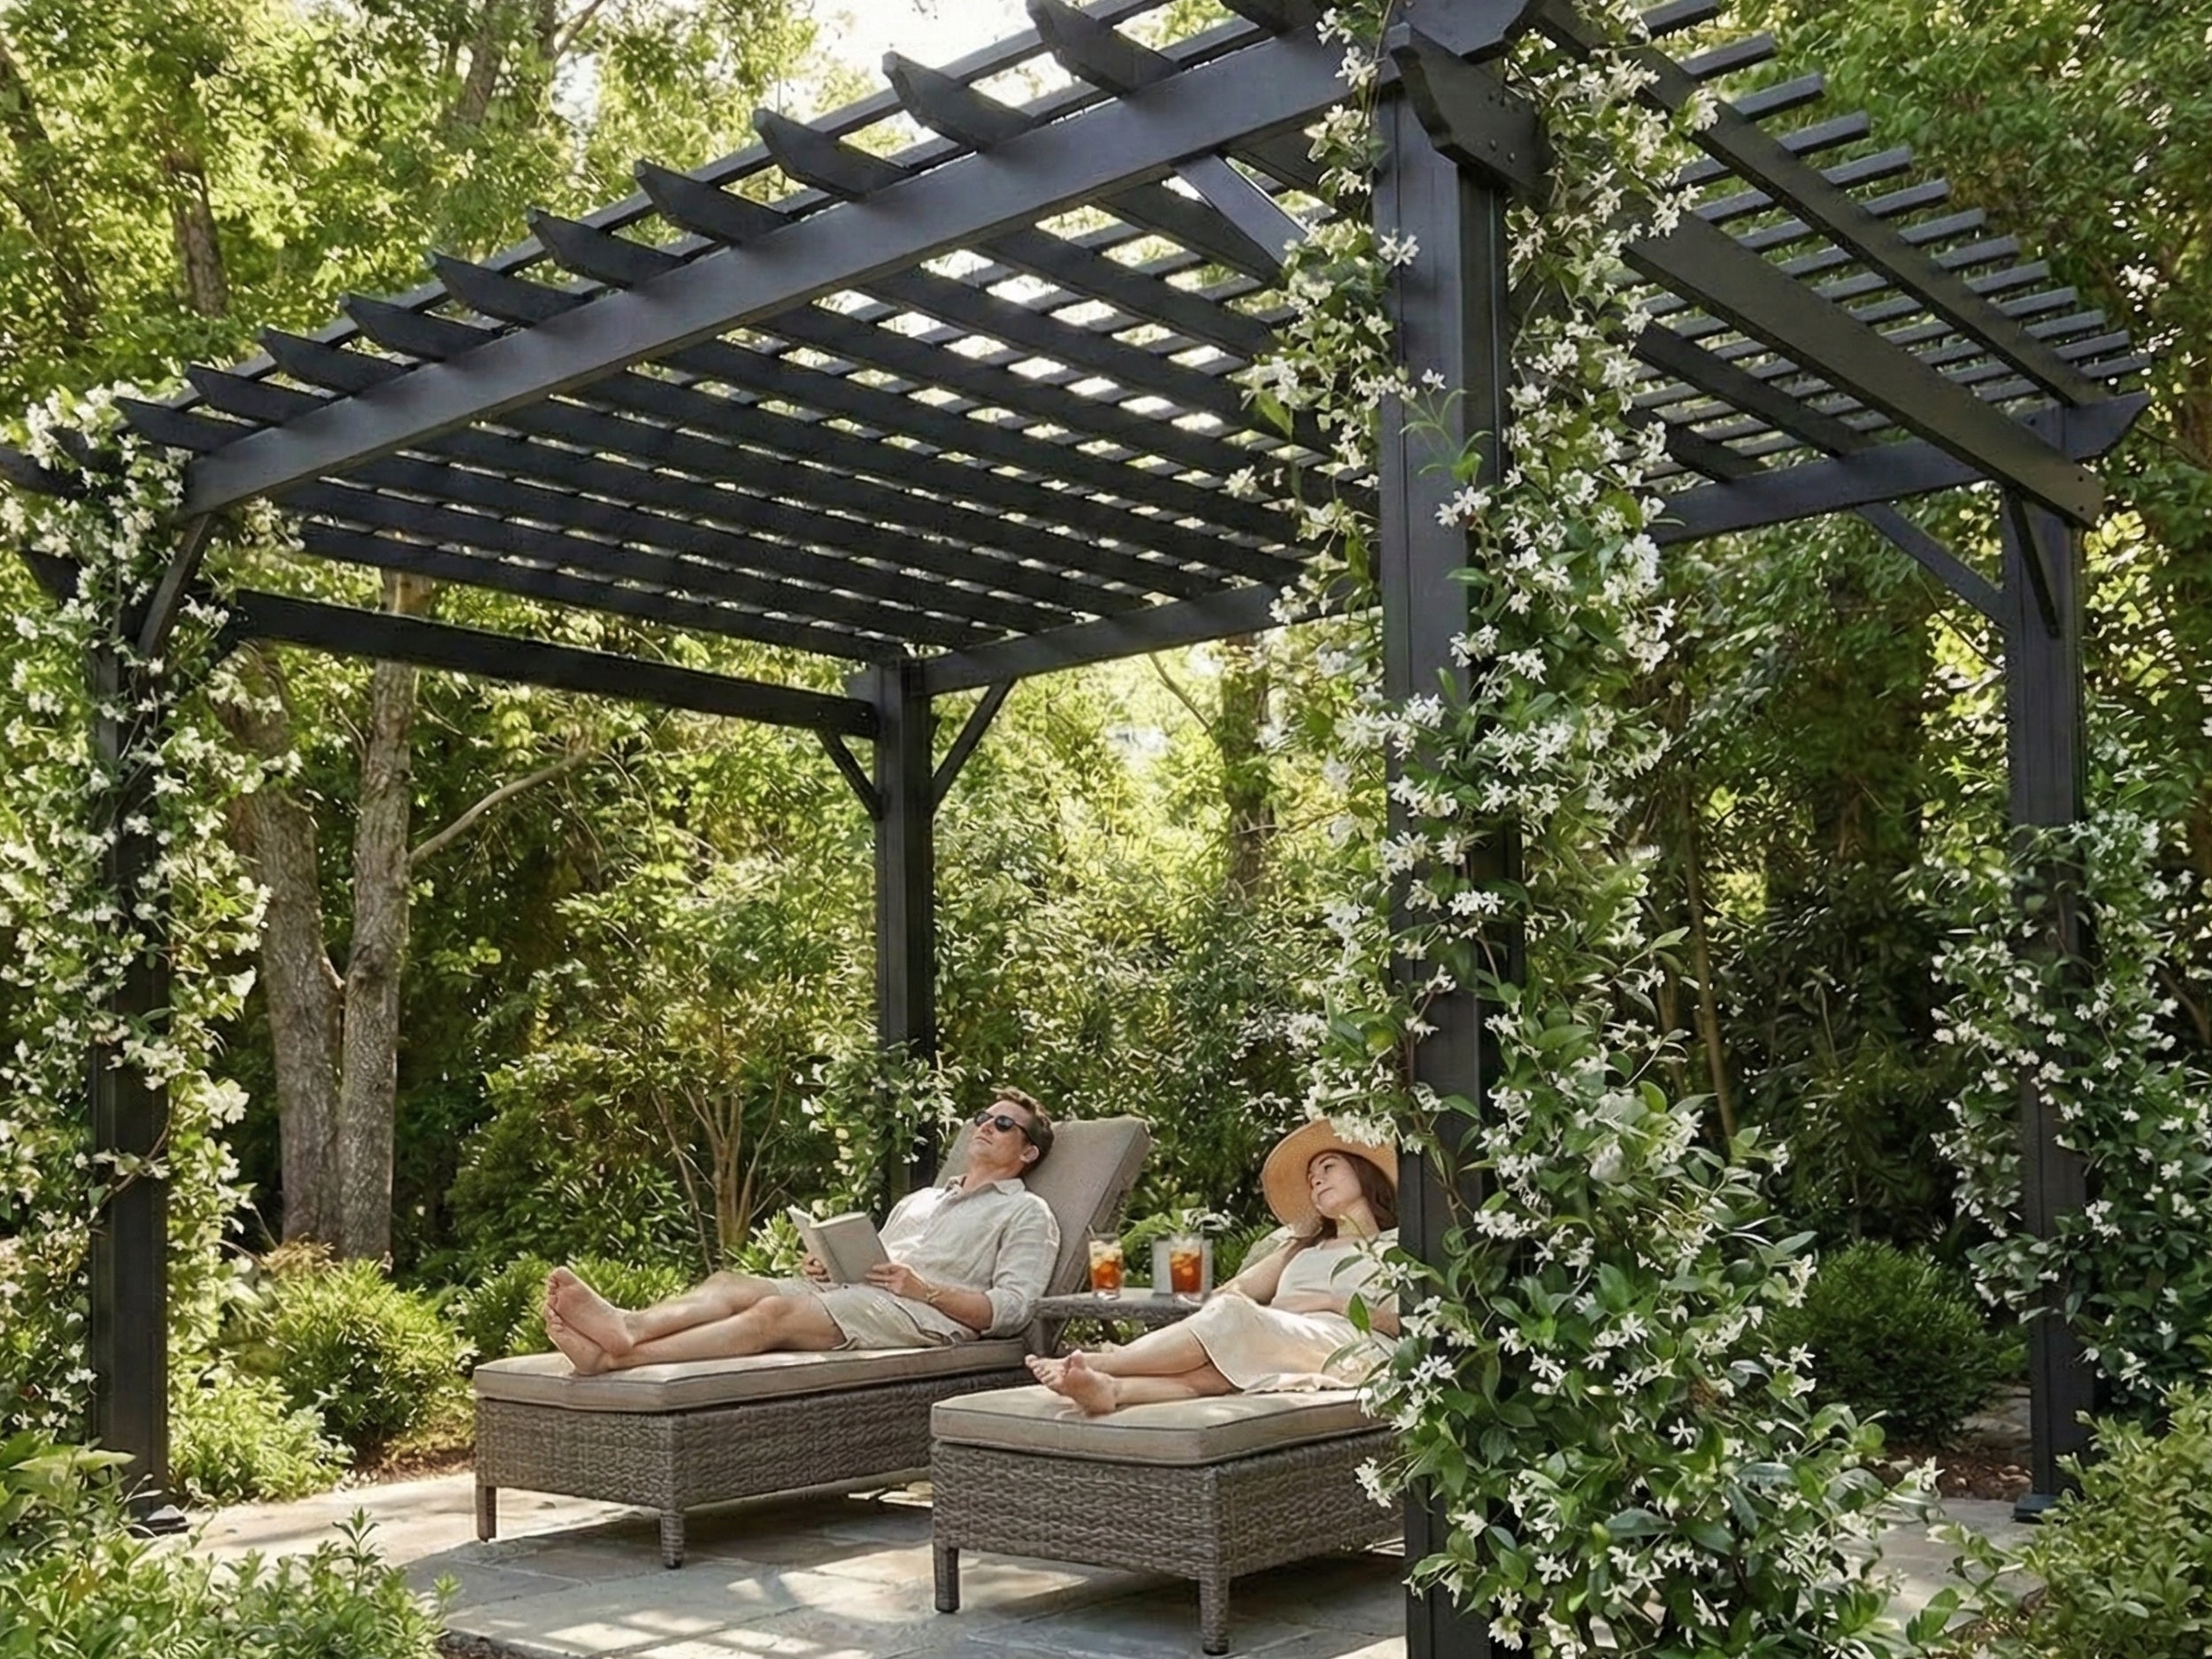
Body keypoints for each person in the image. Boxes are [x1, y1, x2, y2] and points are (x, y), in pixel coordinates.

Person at [542, 1089, 1060, 1374]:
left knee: (773, 1313)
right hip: (859, 1295)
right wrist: (831, 1263)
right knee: (729, 1283)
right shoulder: (922, 1199)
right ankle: (628, 1327)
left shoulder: (1026, 1214)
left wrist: (925, 1289)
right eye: (982, 1118)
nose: (985, 1126)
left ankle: (617, 1356)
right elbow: (877, 1259)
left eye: (1004, 1124)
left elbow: (1015, 1310)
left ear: (1028, 1152)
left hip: (924, 1316)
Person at [1026, 1119, 1398, 1415]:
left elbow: (1411, 1322)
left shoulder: (1398, 1243)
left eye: (1328, 1167)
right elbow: (1233, 1293)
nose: (1316, 1180)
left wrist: (1332, 1301)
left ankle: (1107, 1361)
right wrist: (1200, 1314)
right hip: (1280, 1336)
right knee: (1218, 1370)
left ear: (1364, 1172)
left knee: (1234, 1318)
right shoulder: (1300, 1248)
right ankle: (1113, 1390)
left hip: (1356, 1348)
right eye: (1311, 1178)